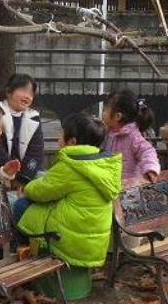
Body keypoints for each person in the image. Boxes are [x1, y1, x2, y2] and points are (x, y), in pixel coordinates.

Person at [14, 113, 122, 268]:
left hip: (71, 244)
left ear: (72, 142)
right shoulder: (104, 163)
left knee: (20, 205)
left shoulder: (72, 165)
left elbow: (40, 192)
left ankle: (27, 253)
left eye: (61, 133)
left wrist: (27, 187)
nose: (59, 137)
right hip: (94, 245)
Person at [0, 73, 44, 185]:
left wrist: (24, 177)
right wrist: (11, 172)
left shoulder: (34, 118)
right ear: (9, 92)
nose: (27, 96)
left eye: (31, 94)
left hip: (25, 176)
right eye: (23, 91)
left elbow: (36, 152)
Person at [101, 89, 160, 182]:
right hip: (111, 186)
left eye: (105, 110)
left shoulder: (133, 136)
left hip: (130, 189)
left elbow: (147, 151)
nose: (102, 113)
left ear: (117, 116)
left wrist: (150, 168)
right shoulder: (107, 134)